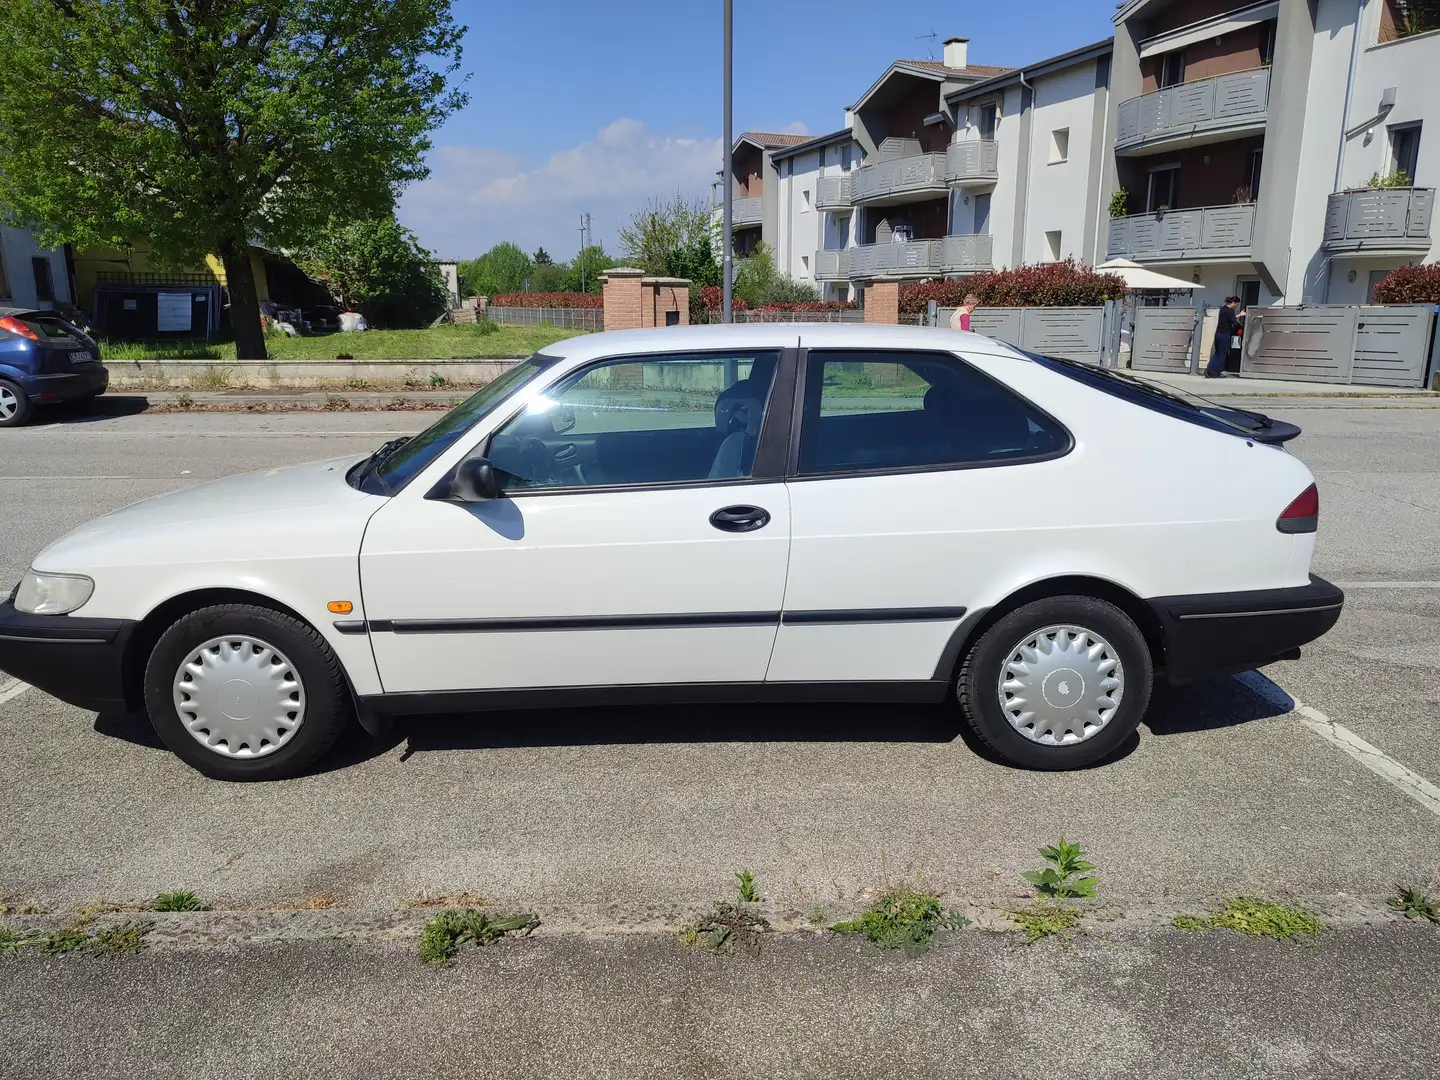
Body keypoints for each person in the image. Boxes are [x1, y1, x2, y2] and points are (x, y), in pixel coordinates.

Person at [1205, 296, 1242, 378]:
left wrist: (1238, 315)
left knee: (1217, 353)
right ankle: (1215, 372)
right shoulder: (1230, 311)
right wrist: (1240, 326)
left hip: (1218, 333)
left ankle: (1210, 369)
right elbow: (1234, 323)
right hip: (1225, 334)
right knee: (1222, 354)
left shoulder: (1223, 309)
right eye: (1236, 304)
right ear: (1233, 303)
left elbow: (1228, 319)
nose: (1236, 306)